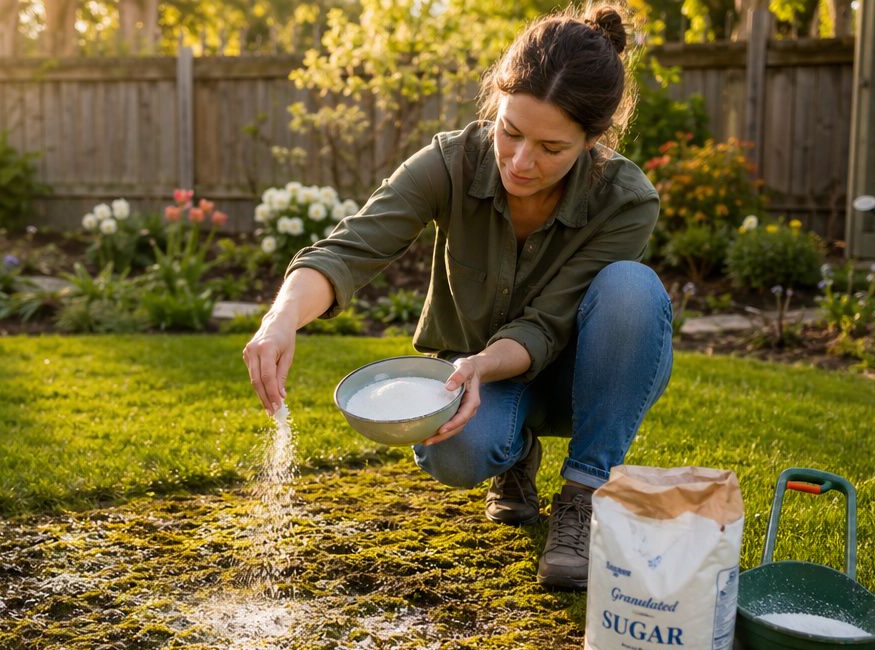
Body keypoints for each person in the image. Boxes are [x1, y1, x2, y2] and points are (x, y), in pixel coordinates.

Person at [242, 3, 672, 590]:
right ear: (495, 104)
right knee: (456, 452)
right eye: (511, 131)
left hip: (582, 379)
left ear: (592, 141)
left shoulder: (626, 199)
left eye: (551, 148)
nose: (521, 161)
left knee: (633, 290)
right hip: (483, 379)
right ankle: (513, 456)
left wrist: (481, 363)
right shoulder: (450, 162)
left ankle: (584, 493)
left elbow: (547, 326)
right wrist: (280, 318)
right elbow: (350, 249)